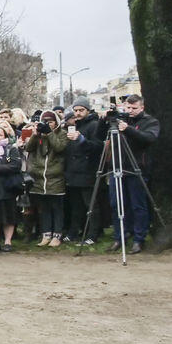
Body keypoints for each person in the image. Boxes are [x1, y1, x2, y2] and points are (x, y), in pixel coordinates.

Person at [104, 94, 159, 253]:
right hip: (117, 167)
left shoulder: (150, 122)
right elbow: (100, 135)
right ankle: (119, 237)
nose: (130, 111)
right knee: (116, 204)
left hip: (137, 168)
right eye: (128, 107)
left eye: (134, 108)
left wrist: (128, 129)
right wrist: (105, 120)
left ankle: (139, 239)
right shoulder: (120, 119)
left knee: (137, 205)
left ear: (142, 107)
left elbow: (148, 138)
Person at [24, 110, 68, 246]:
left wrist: (49, 133)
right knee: (44, 208)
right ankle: (46, 234)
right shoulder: (38, 135)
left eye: (50, 122)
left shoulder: (62, 134)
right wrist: (35, 135)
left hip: (55, 176)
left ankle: (57, 235)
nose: (47, 124)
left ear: (56, 122)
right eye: (45, 122)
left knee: (57, 207)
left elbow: (59, 147)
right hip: (39, 177)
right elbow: (28, 148)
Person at [63, 98, 103, 245]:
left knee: (90, 205)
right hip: (73, 172)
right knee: (76, 205)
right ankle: (74, 232)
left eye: (81, 110)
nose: (78, 113)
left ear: (88, 110)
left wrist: (81, 140)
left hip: (87, 171)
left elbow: (97, 147)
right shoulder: (74, 125)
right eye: (76, 110)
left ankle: (93, 234)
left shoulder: (94, 125)